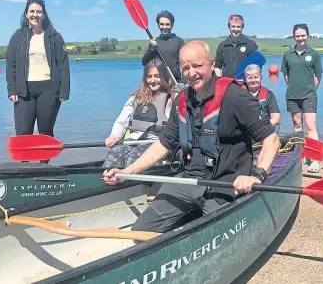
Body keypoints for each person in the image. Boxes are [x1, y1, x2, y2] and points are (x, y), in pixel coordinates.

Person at [103, 40, 280, 233]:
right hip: (188, 180)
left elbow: (271, 139)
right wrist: (128, 171)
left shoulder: (236, 97)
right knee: (140, 232)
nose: (191, 73)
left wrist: (257, 176)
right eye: (186, 67)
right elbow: (164, 144)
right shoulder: (182, 100)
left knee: (212, 236)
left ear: (212, 64)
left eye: (197, 66)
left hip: (226, 184)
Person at [5, 0, 70, 163]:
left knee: (45, 131)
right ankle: (24, 168)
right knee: (23, 132)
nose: (35, 15)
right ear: (26, 14)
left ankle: (44, 166)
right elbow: (11, 64)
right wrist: (11, 90)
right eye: (32, 11)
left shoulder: (54, 37)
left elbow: (63, 65)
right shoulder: (18, 36)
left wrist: (64, 91)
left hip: (49, 89)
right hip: (24, 89)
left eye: (39, 11)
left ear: (44, 14)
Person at [102, 59, 176, 170]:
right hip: (134, 140)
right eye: (149, 76)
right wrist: (114, 135)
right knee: (114, 154)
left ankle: (130, 180)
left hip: (158, 144)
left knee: (134, 157)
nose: (153, 80)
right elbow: (122, 121)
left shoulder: (172, 100)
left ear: (164, 77)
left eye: (157, 76)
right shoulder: (136, 98)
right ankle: (109, 179)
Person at [281, 23, 323, 173]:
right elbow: (286, 75)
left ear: (308, 35)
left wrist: (310, 89)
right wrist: (293, 87)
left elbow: (318, 75)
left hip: (309, 96)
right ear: (294, 37)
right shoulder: (287, 55)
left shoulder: (314, 54)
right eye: (297, 36)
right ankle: (301, 155)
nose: (300, 38)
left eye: (303, 35)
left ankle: (314, 160)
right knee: (298, 126)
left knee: (311, 127)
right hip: (292, 96)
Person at [142, 10, 185, 83]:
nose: (164, 27)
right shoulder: (154, 42)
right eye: (162, 24)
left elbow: (186, 64)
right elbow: (144, 62)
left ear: (172, 24)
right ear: (158, 25)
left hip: (175, 82)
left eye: (167, 24)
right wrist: (152, 48)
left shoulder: (179, 41)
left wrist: (183, 82)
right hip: (159, 83)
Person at [244, 64, 280, 128]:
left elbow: (276, 118)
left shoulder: (269, 95)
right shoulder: (239, 94)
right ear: (245, 79)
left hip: (264, 130)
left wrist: (261, 129)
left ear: (261, 77)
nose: (253, 80)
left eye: (256, 77)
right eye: (249, 78)